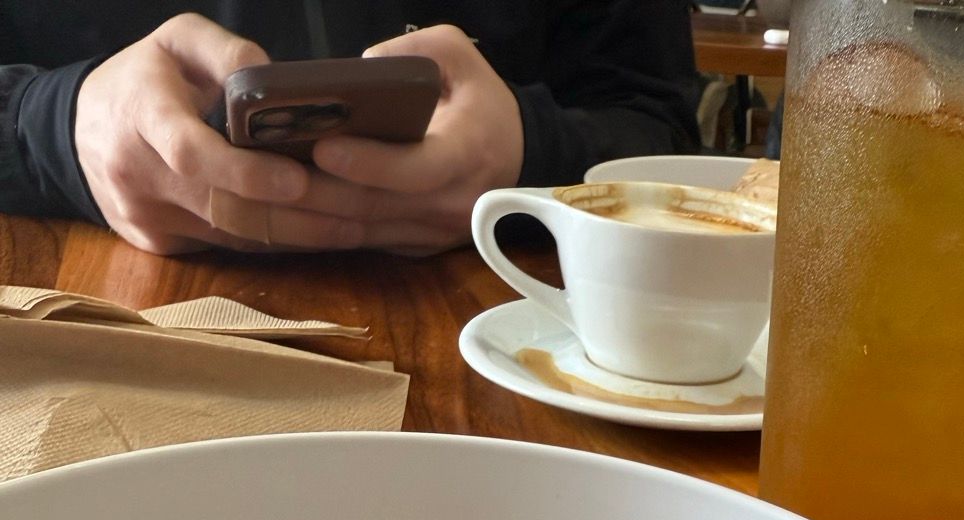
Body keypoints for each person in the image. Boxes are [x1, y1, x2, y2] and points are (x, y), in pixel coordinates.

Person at [0, 3, 699, 255]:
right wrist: (58, 125)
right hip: (93, 345)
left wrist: (534, 151)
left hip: (519, 342)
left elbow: (660, 128)